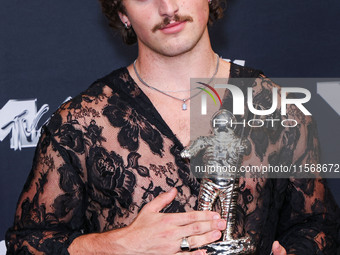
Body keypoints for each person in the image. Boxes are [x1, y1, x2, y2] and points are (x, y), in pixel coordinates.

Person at [5, 0, 339, 254]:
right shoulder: (79, 123)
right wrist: (116, 246)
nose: (168, 8)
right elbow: (26, 243)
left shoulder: (276, 107)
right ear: (122, 13)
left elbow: (317, 224)